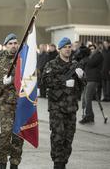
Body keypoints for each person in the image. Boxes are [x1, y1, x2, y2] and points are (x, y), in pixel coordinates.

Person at [42, 37, 86, 169]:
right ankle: (57, 164)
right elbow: (45, 82)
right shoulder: (51, 64)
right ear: (59, 49)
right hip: (56, 108)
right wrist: (63, 82)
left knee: (68, 138)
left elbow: (84, 84)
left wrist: (81, 77)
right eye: (65, 47)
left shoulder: (75, 65)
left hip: (71, 108)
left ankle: (63, 162)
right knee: (58, 137)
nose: (68, 49)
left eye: (69, 47)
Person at [0, 33, 24, 169]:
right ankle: (1, 164)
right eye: (10, 43)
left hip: (22, 104)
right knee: (5, 135)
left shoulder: (23, 61)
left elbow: (32, 77)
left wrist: (13, 79)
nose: (13, 46)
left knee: (18, 136)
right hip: (6, 103)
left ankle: (14, 164)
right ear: (5, 45)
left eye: (15, 43)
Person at [80, 44, 103, 124]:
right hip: (88, 78)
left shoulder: (98, 55)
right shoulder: (89, 57)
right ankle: (90, 116)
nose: (91, 50)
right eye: (90, 49)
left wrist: (85, 59)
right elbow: (84, 65)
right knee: (84, 98)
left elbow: (91, 63)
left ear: (96, 49)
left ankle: (88, 116)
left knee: (87, 97)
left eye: (93, 48)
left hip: (94, 78)